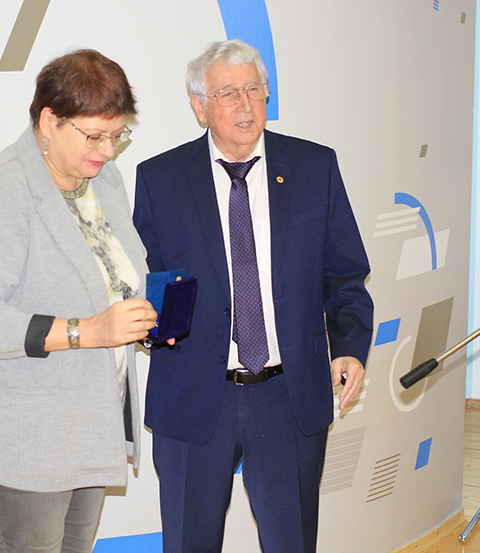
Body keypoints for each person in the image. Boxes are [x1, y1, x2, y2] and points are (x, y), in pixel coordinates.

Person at [132, 40, 374, 552]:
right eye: (227, 93)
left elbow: (346, 275)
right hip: (195, 396)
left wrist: (350, 346)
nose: (244, 104)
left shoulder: (314, 167)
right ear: (200, 107)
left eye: (254, 90)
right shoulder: (160, 179)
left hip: (289, 397)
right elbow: (145, 280)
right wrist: (152, 326)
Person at [0, 49, 158, 553]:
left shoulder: (104, 181)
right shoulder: (0, 191)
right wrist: (88, 331)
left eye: (117, 135)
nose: (108, 150)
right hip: (18, 440)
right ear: (48, 121)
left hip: (89, 425)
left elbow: (120, 279)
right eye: (94, 136)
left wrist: (147, 316)